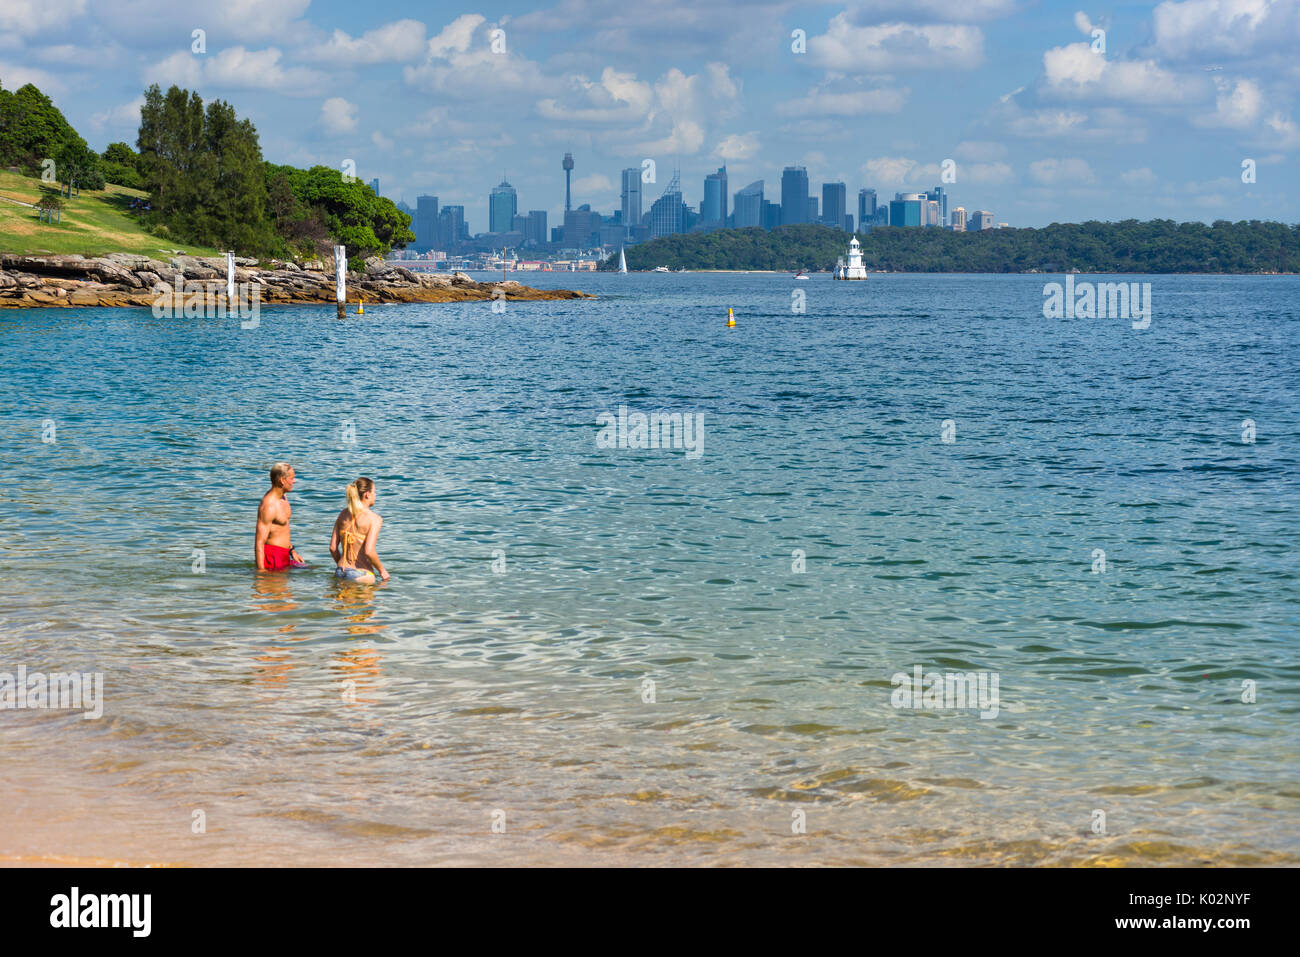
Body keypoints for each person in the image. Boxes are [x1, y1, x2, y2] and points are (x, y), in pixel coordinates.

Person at [330, 477, 389, 584]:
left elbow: (333, 548)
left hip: (340, 571)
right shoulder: (374, 519)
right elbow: (369, 551)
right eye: (374, 492)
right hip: (361, 574)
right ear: (367, 494)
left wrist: (343, 566)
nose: (375, 495)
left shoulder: (343, 514)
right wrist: (382, 570)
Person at [255, 463, 306, 571]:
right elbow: (259, 542)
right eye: (292, 478)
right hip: (272, 557)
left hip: (285, 554)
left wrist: (292, 551)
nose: (295, 481)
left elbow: (283, 529)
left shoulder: (283, 497)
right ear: (282, 480)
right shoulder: (269, 506)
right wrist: (261, 572)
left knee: (309, 569)